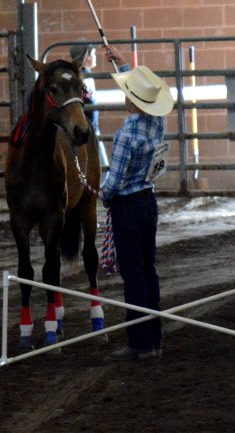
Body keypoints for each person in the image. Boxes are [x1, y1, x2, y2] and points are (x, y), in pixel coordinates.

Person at [100, 44, 174, 361]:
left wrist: (101, 195)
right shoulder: (157, 124)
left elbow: (113, 183)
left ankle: (140, 343)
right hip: (148, 203)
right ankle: (153, 339)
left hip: (127, 208)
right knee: (148, 271)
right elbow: (143, 94)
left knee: (133, 276)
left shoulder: (125, 135)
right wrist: (123, 64)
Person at [70, 41, 109, 167]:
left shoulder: (88, 75)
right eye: (93, 53)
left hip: (92, 128)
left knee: (99, 166)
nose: (96, 56)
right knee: (101, 167)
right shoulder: (81, 78)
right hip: (86, 130)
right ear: (86, 57)